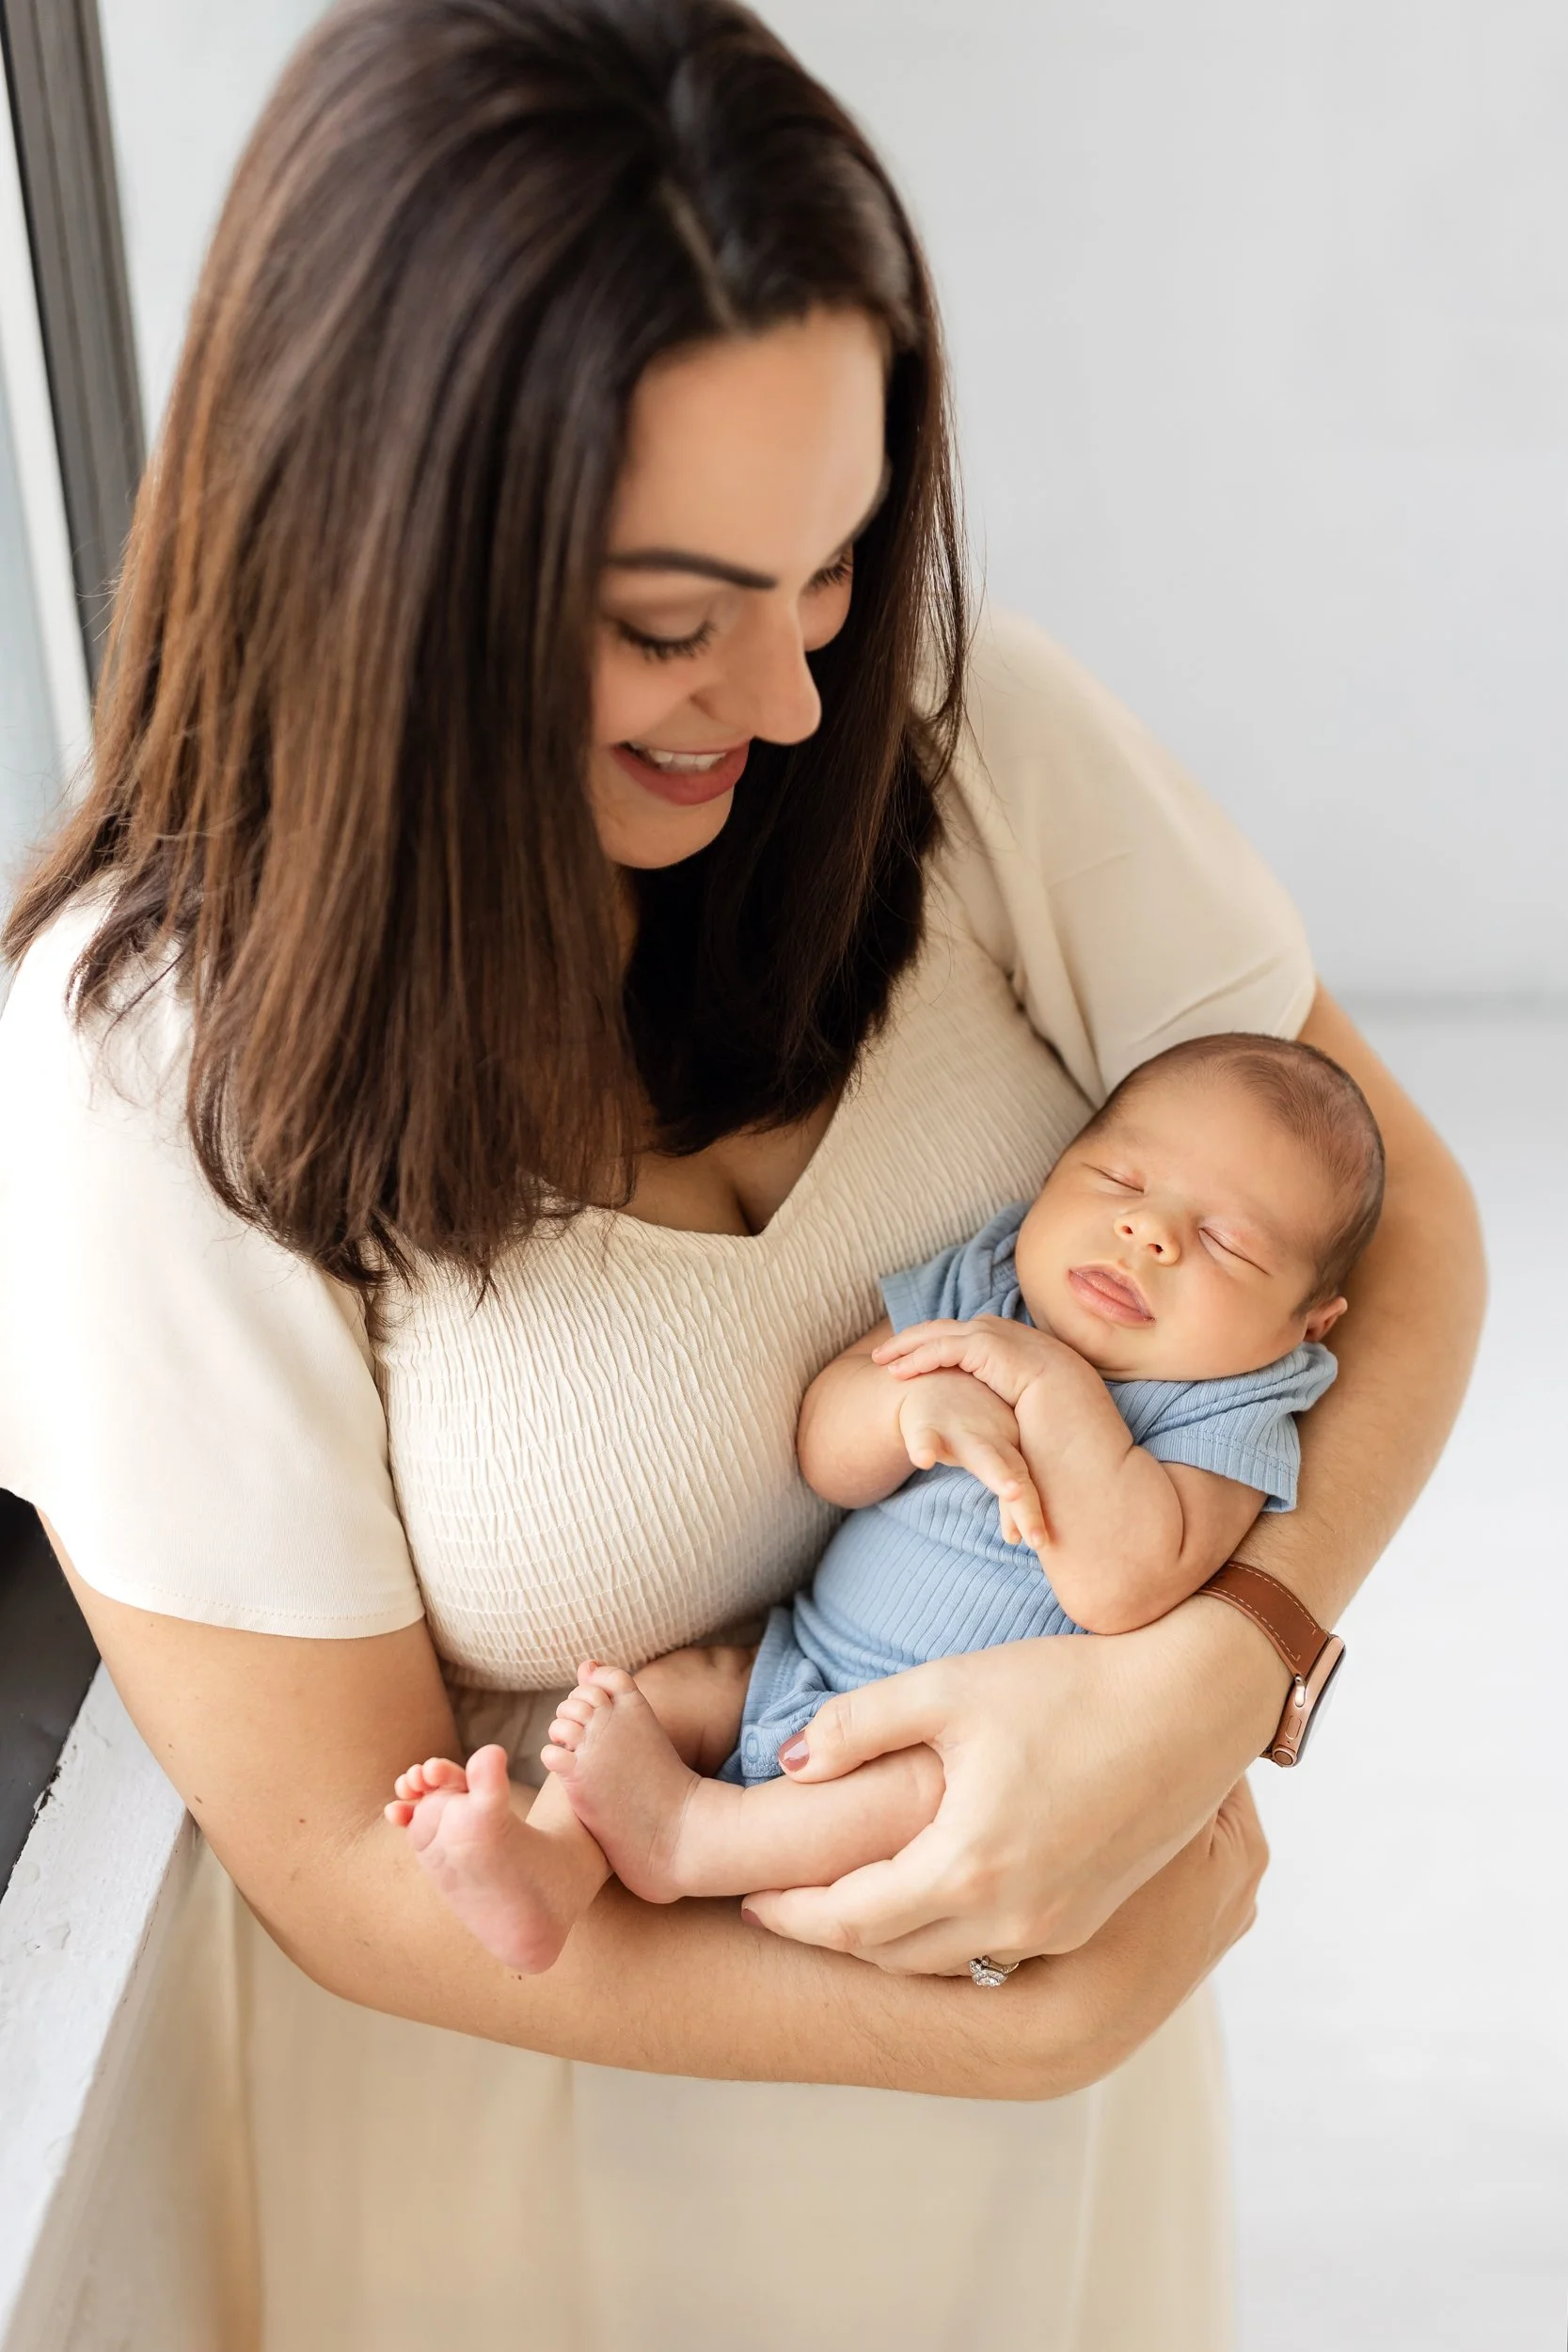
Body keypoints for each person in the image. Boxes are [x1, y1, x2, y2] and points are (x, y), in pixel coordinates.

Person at [0, 1, 1482, 2344]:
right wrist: (999, 2026)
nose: (793, 702)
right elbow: (326, 1856)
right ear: (383, 569)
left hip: (1034, 2201)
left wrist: (1227, 1663)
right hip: (538, 2199)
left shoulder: (954, 740)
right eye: (676, 621)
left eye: (836, 566)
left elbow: (1403, 1232)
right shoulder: (138, 1080)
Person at [389, 1031, 1382, 1967]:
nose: (1147, 1232)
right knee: (650, 1695)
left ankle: (696, 1835)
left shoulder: (1232, 1402)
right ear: (1053, 1176)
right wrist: (904, 1405)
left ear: (1308, 1323)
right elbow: (825, 1444)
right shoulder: (989, 1280)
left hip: (956, 1751)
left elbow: (1120, 1584)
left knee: (911, 1792)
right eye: (1118, 1180)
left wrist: (1052, 1389)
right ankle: (551, 1869)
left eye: (1226, 1244)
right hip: (800, 1661)